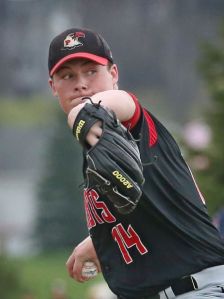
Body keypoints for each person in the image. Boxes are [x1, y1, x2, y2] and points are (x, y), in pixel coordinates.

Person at [48, 27, 224, 299]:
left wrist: (83, 114)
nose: (81, 83)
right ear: (53, 86)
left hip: (197, 290)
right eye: (67, 75)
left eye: (91, 71)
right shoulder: (98, 146)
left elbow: (122, 103)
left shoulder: (131, 123)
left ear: (114, 74)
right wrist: (100, 238)